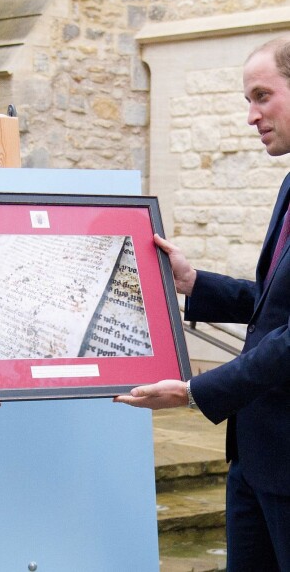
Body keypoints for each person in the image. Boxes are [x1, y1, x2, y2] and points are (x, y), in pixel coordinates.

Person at [114, 36, 290, 571]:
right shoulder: (289, 185)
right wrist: (194, 283)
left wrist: (195, 391)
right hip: (255, 459)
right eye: (247, 101)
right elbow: (274, 306)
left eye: (262, 96)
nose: (251, 116)